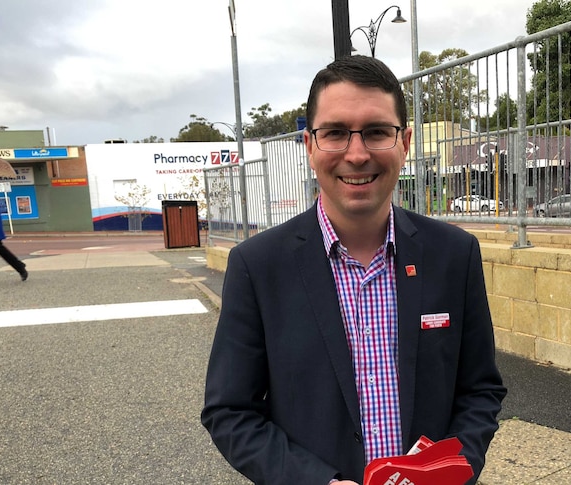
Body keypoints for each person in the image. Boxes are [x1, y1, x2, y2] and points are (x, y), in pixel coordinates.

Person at [201, 55, 506, 485]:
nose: (357, 154)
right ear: (309, 145)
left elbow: (480, 391)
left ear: (405, 142)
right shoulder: (258, 266)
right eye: (336, 133)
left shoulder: (454, 255)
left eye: (378, 132)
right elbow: (230, 411)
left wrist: (450, 472)